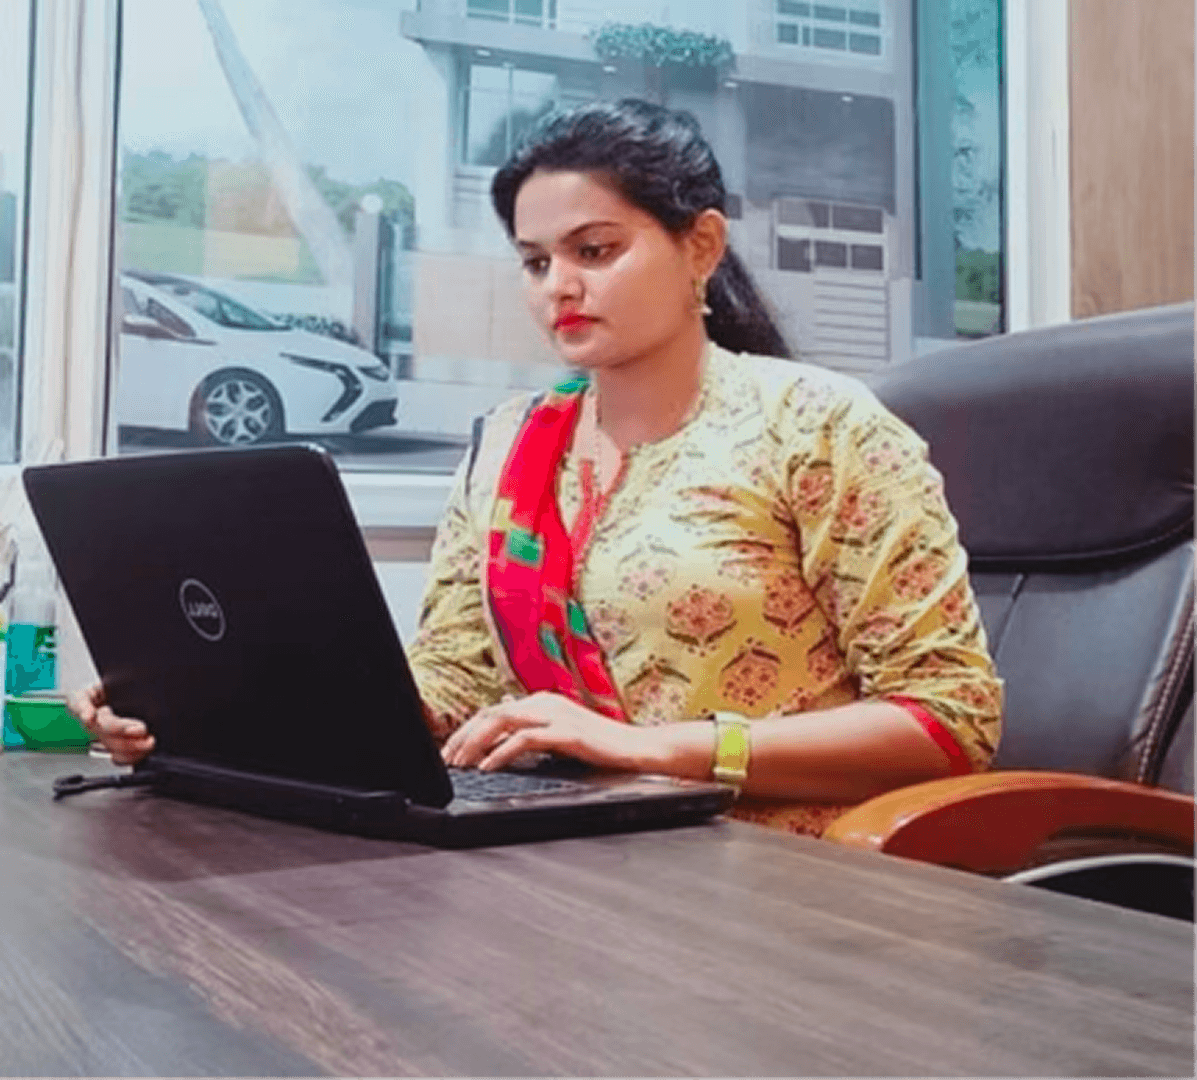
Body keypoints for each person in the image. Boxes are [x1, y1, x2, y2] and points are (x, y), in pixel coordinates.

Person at [74, 99, 1002, 836]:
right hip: (571, 842)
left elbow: (948, 719)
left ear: (701, 247)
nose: (558, 284)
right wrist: (201, 708)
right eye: (532, 260)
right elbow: (453, 676)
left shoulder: (820, 426)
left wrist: (650, 749)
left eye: (594, 251)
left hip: (779, 866)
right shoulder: (511, 446)